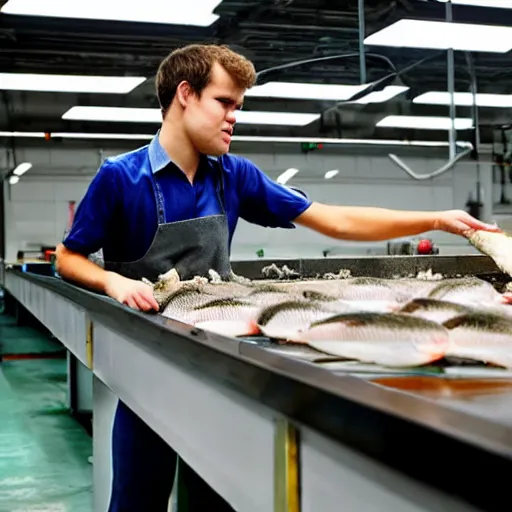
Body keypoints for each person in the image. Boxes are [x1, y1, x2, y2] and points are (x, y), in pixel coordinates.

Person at [55, 43, 500, 511]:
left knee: (218, 495)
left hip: (217, 363)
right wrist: (113, 282)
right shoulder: (120, 179)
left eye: (238, 107)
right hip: (146, 365)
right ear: (185, 94)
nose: (233, 117)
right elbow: (68, 257)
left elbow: (334, 220)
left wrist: (434, 219)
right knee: (136, 499)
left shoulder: (233, 176)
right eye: (224, 102)